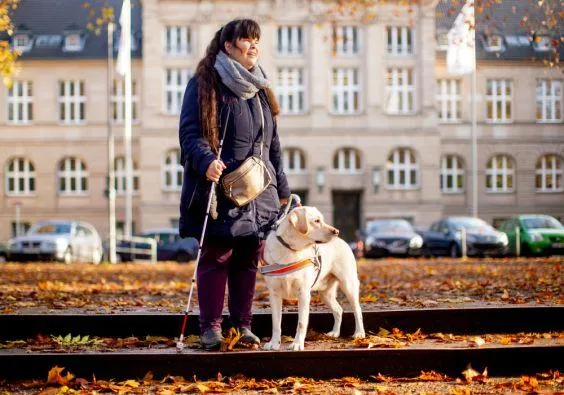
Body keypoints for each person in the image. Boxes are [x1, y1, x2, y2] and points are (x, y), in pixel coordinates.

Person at [178, 19, 290, 350]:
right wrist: (205, 161)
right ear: (228, 46)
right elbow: (190, 134)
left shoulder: (261, 88)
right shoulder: (205, 84)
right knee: (217, 255)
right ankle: (210, 328)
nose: (254, 45)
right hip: (222, 189)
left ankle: (243, 326)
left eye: (257, 40)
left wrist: (282, 190)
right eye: (246, 40)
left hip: (260, 192)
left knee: (247, 257)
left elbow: (272, 145)